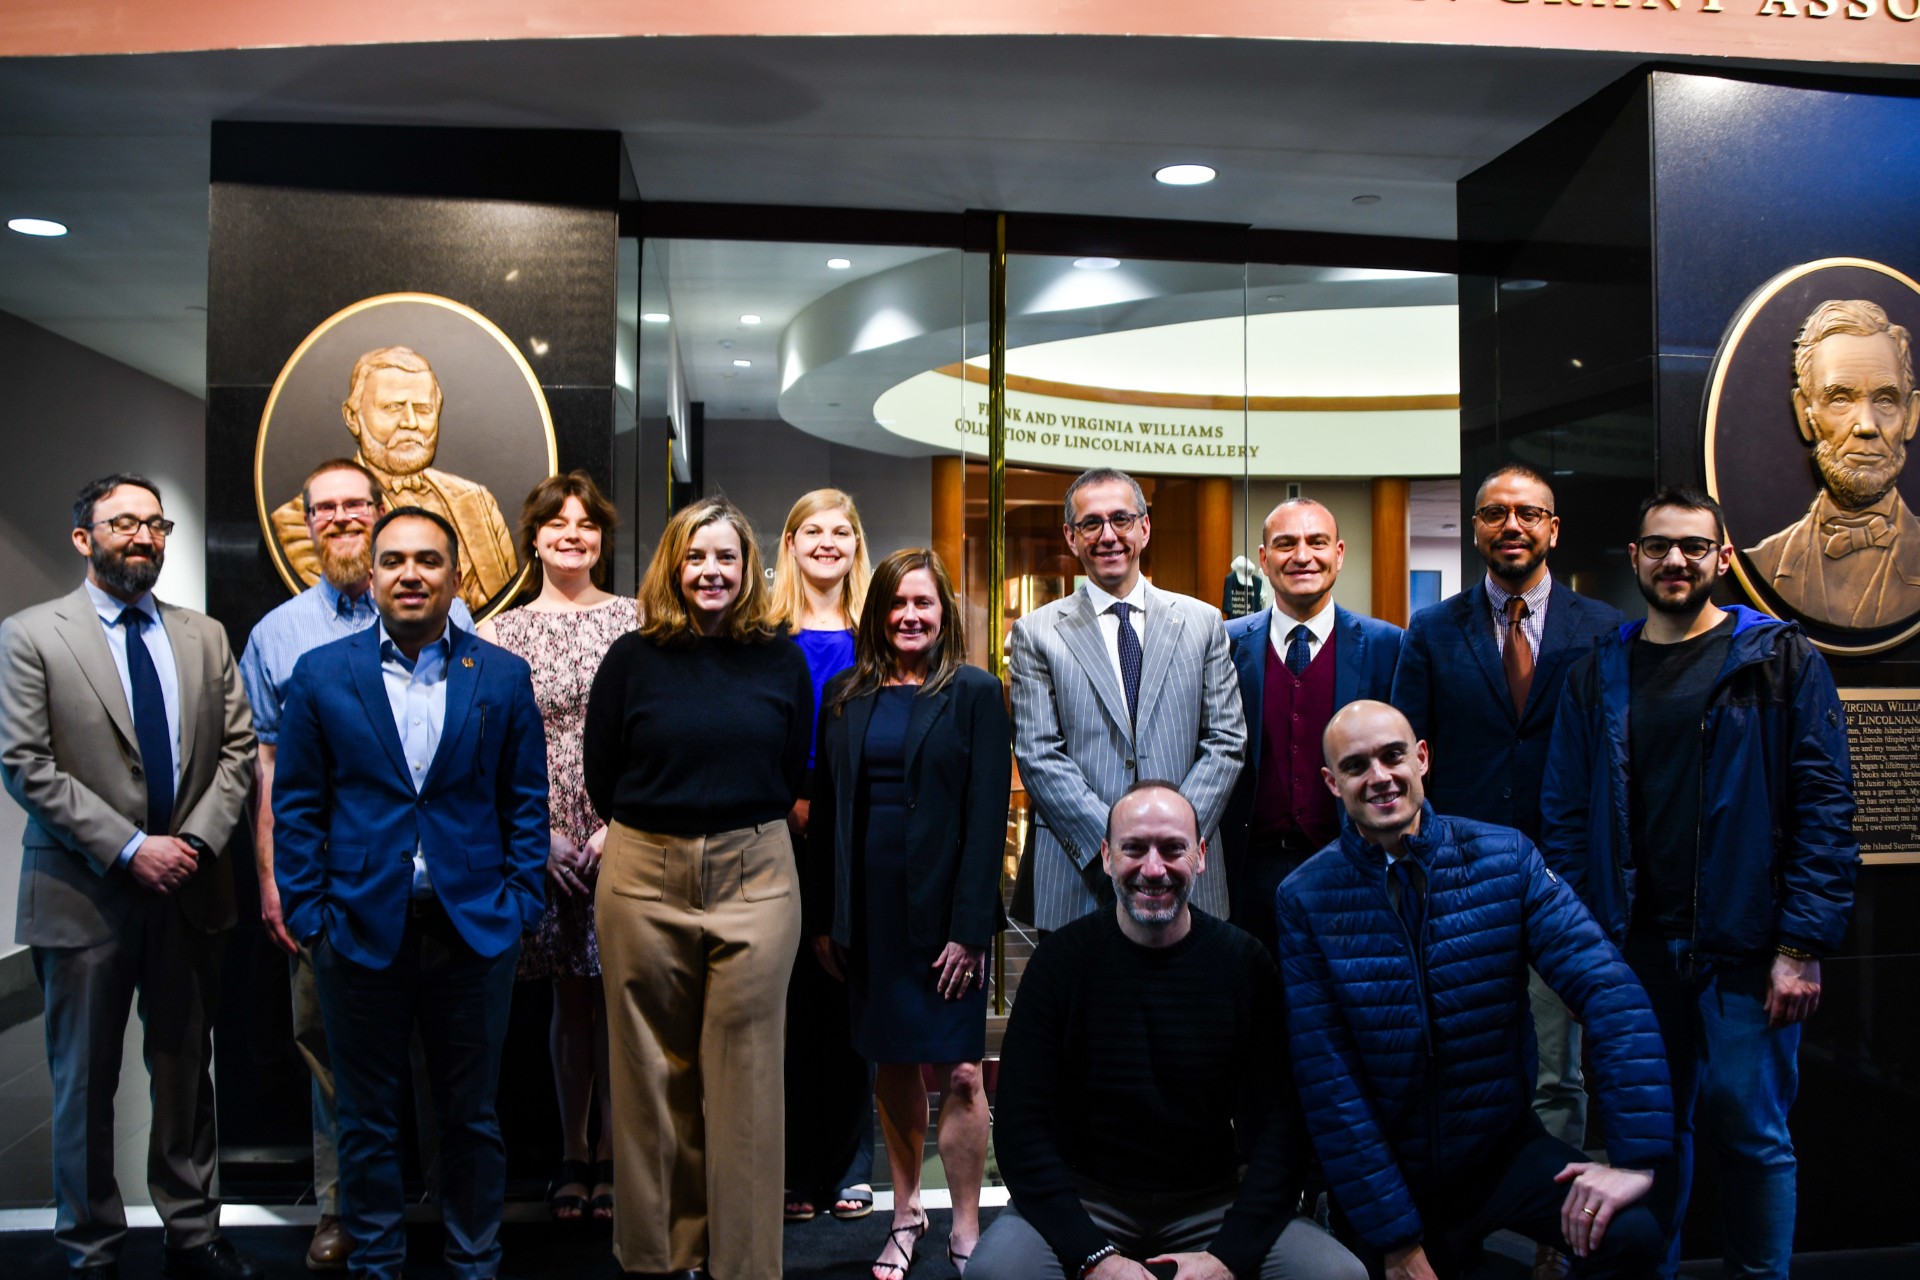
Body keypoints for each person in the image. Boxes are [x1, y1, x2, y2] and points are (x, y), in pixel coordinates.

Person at [1542, 488, 1859, 1280]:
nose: (1674, 560)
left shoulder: (1782, 660)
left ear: (1721, 558)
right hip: (1634, 951)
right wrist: (1587, 949)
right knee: (1652, 1139)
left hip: (1749, 949)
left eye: (1692, 546)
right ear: (1636, 557)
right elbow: (1566, 816)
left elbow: (1825, 810)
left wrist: (1801, 945)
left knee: (1754, 1134)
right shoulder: (1599, 671)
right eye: (1657, 546)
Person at [1277, 701, 1671, 1280]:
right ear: (1333, 784)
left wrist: (1635, 1160)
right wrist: (1397, 1241)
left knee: (1632, 1233)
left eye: (1393, 756)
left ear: (1422, 758)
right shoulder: (1305, 896)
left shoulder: (1505, 858)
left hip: (1501, 1152)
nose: (1380, 777)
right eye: (1357, 766)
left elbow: (1609, 990)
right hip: (1389, 1170)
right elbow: (1328, 1081)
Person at [271, 506, 548, 1280]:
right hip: (357, 929)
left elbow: (524, 801)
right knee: (364, 1119)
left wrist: (522, 901)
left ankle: (472, 1260)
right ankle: (379, 1264)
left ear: (456, 577)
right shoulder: (324, 674)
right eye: (393, 561)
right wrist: (308, 912)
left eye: (428, 561)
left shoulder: (499, 675)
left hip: (472, 932)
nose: (410, 574)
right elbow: (296, 806)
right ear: (373, 574)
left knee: (471, 1118)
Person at [1, 474, 259, 1280]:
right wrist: (128, 848)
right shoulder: (33, 635)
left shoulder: (205, 636)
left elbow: (238, 752)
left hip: (190, 888)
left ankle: (192, 1230)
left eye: (155, 523)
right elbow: (25, 764)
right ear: (85, 538)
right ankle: (90, 1243)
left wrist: (191, 843)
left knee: (185, 1074)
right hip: (84, 894)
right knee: (84, 1081)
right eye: (123, 524)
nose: (142, 536)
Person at [969, 780, 1364, 1280]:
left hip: (1213, 1200)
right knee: (995, 1274)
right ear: (1107, 857)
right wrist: (1093, 1256)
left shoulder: (1244, 963)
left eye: (1172, 849)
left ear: (1200, 856)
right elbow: (1022, 1133)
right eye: (1134, 849)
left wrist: (1228, 1256)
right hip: (1085, 1196)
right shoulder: (1059, 964)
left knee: (1337, 1276)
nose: (1153, 869)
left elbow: (1282, 1131)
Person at [240, 457, 474, 1268]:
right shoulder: (279, 635)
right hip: (334, 894)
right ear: (307, 524)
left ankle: (450, 1207)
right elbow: (272, 772)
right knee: (336, 1062)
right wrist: (281, 886)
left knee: (446, 1065)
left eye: (354, 505)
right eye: (325, 508)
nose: (341, 518)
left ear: (378, 514)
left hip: (438, 892)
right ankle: (340, 1212)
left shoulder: (456, 614)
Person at [1390, 463, 1623, 1278]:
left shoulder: (1605, 630)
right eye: (1495, 513)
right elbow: (1407, 761)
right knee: (1466, 1060)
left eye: (1529, 513)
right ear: (1477, 529)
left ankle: (1556, 1241)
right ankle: (1464, 1225)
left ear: (1554, 529)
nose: (1512, 525)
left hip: (1565, 884)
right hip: (1458, 888)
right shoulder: (1431, 631)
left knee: (1559, 1071)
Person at [584, 496, 814, 1280]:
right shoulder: (631, 657)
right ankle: (658, 1258)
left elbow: (790, 770)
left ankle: (743, 1265)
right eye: (696, 556)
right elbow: (602, 775)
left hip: (757, 873)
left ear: (748, 568)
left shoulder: (780, 659)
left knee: (748, 1078)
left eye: (726, 557)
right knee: (650, 1074)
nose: (711, 571)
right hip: (643, 872)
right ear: (672, 567)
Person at [806, 549, 1011, 1277]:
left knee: (958, 1071)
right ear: (878, 613)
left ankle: (962, 1222)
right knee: (891, 1064)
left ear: (944, 612)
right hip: (870, 909)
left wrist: (968, 928)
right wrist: (829, 919)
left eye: (923, 604)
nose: (910, 616)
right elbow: (831, 815)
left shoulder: (978, 694)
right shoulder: (844, 695)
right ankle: (904, 1213)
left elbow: (988, 819)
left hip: (945, 913)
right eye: (896, 604)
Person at [476, 471, 633, 1223]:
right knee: (569, 999)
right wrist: (537, 836)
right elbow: (484, 747)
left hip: (626, 829)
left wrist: (617, 824)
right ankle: (574, 1153)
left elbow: (652, 732)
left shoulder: (640, 623)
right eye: (558, 522)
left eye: (587, 523)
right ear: (533, 536)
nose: (573, 532)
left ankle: (614, 1153)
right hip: (538, 835)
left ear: (603, 538)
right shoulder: (495, 632)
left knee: (620, 997)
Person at [1009, 466, 1245, 930]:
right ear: (1071, 537)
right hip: (1079, 874)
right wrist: (1116, 847)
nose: (1108, 535)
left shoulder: (1202, 623)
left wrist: (1173, 841)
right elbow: (1038, 754)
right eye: (1090, 523)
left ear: (1144, 527)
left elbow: (1226, 740)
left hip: (1187, 874)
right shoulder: (1035, 633)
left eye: (1121, 519)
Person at [1222, 497, 1402, 954]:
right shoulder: (1223, 644)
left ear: (1339, 553)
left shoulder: (1389, 646)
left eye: (1316, 542)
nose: (1302, 556)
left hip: (1354, 866)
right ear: (1264, 559)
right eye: (1286, 544)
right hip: (1247, 875)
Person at [768, 488, 878, 1226]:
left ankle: (852, 1165)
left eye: (842, 531)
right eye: (813, 530)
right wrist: (787, 802)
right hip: (779, 825)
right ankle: (794, 1167)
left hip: (860, 822)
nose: (828, 542)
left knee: (853, 993)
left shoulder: (878, 633)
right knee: (790, 1001)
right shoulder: (763, 633)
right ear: (791, 542)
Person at [270, 346, 518, 612]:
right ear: (353, 418)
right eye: (392, 407)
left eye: (423, 409)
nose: (410, 422)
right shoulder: (301, 523)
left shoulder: (479, 501)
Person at [1744, 298, 1920, 629]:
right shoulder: (1767, 562)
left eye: (1885, 399)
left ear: (1910, 416)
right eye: (1840, 398)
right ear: (1804, 413)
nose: (1866, 425)